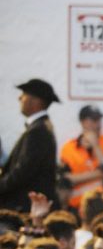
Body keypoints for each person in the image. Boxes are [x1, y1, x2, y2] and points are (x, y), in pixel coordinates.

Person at [0, 79, 59, 212]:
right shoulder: (41, 127)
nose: (19, 98)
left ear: (36, 101)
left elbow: (22, 172)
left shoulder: (38, 131)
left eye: (24, 94)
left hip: (26, 207)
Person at [59, 105, 103, 209]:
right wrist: (99, 174)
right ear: (83, 122)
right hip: (77, 205)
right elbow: (65, 179)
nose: (98, 124)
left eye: (99, 120)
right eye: (93, 120)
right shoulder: (68, 147)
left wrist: (96, 145)